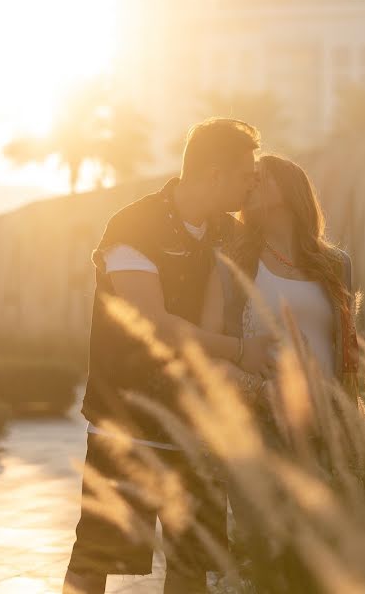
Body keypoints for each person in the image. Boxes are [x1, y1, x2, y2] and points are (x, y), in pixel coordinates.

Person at [64, 118, 276, 594]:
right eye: (246, 175)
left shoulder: (227, 232)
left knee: (191, 562)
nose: (252, 185)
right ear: (215, 175)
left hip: (196, 424)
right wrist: (241, 352)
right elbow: (154, 325)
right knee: (98, 553)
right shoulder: (133, 225)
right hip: (127, 421)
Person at [201, 153, 359, 414]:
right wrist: (259, 391)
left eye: (259, 177)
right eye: (247, 178)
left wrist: (350, 420)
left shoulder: (337, 264)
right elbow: (204, 353)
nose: (250, 184)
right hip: (261, 424)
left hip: (331, 427)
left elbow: (349, 355)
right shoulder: (231, 264)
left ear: (289, 190)